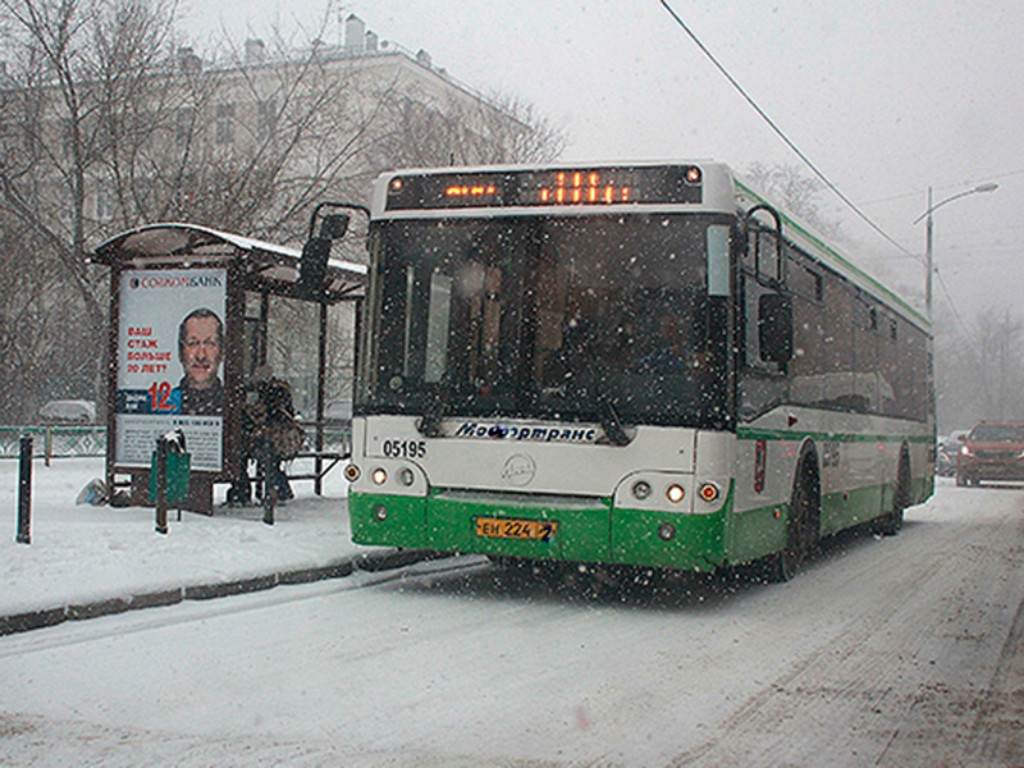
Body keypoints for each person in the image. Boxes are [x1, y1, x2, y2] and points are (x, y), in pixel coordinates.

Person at [229, 364, 298, 506]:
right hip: (269, 435)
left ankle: (245, 494)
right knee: (270, 465)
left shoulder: (262, 390)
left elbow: (270, 412)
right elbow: (285, 412)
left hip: (260, 434)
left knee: (253, 463)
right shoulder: (278, 389)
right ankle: (276, 492)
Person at [177, 308, 224, 415]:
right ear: (180, 352)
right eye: (193, 343)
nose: (201, 356)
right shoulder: (166, 403)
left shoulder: (233, 405)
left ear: (222, 353)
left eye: (209, 344)